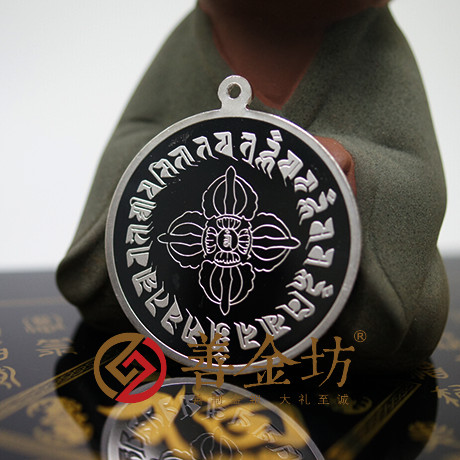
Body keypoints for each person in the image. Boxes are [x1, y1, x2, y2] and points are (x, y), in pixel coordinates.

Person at [57, 0, 448, 373]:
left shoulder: (375, 49)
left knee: (405, 317)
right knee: (123, 286)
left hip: (321, 279)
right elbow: (132, 138)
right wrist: (169, 162)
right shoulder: (191, 42)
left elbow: (417, 173)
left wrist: (355, 168)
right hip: (184, 290)